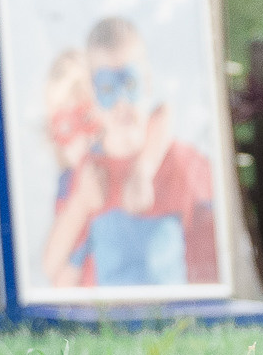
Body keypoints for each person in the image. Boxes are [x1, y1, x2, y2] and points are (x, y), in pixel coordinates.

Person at [41, 16, 215, 287]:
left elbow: (212, 264)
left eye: (129, 84)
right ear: (94, 91)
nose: (121, 102)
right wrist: (81, 205)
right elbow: (56, 271)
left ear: (147, 82)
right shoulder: (86, 178)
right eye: (108, 87)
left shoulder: (183, 161)